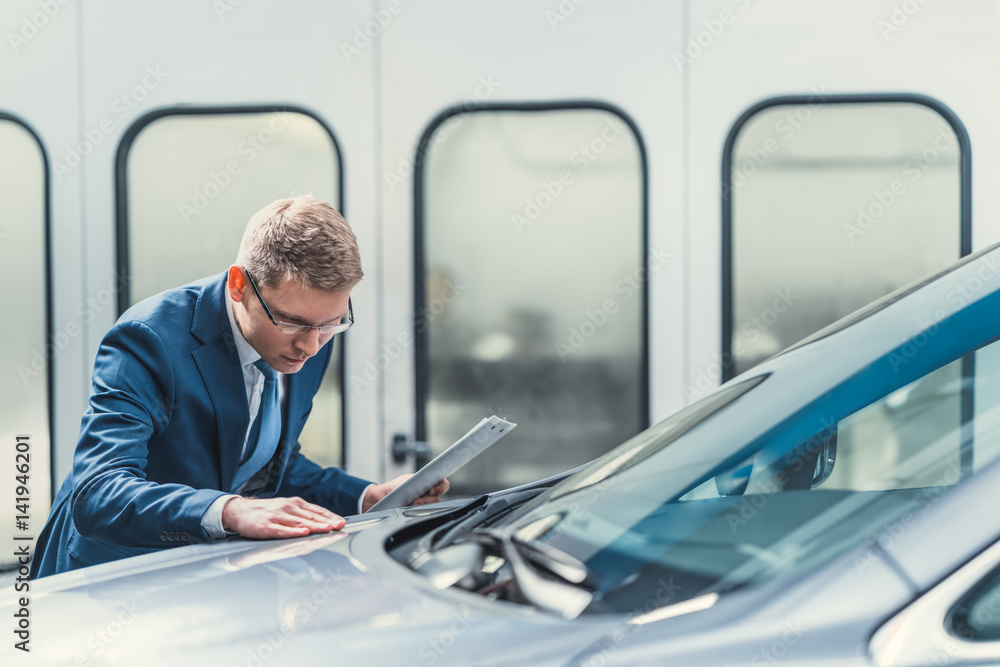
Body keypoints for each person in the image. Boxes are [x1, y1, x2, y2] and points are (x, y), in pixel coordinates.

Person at [30, 196, 447, 578]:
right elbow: (99, 493)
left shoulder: (311, 338)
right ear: (238, 285)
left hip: (210, 580)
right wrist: (231, 510)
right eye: (293, 322)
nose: (310, 345)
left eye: (331, 324)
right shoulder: (149, 339)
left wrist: (365, 497)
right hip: (114, 579)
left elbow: (264, 465)